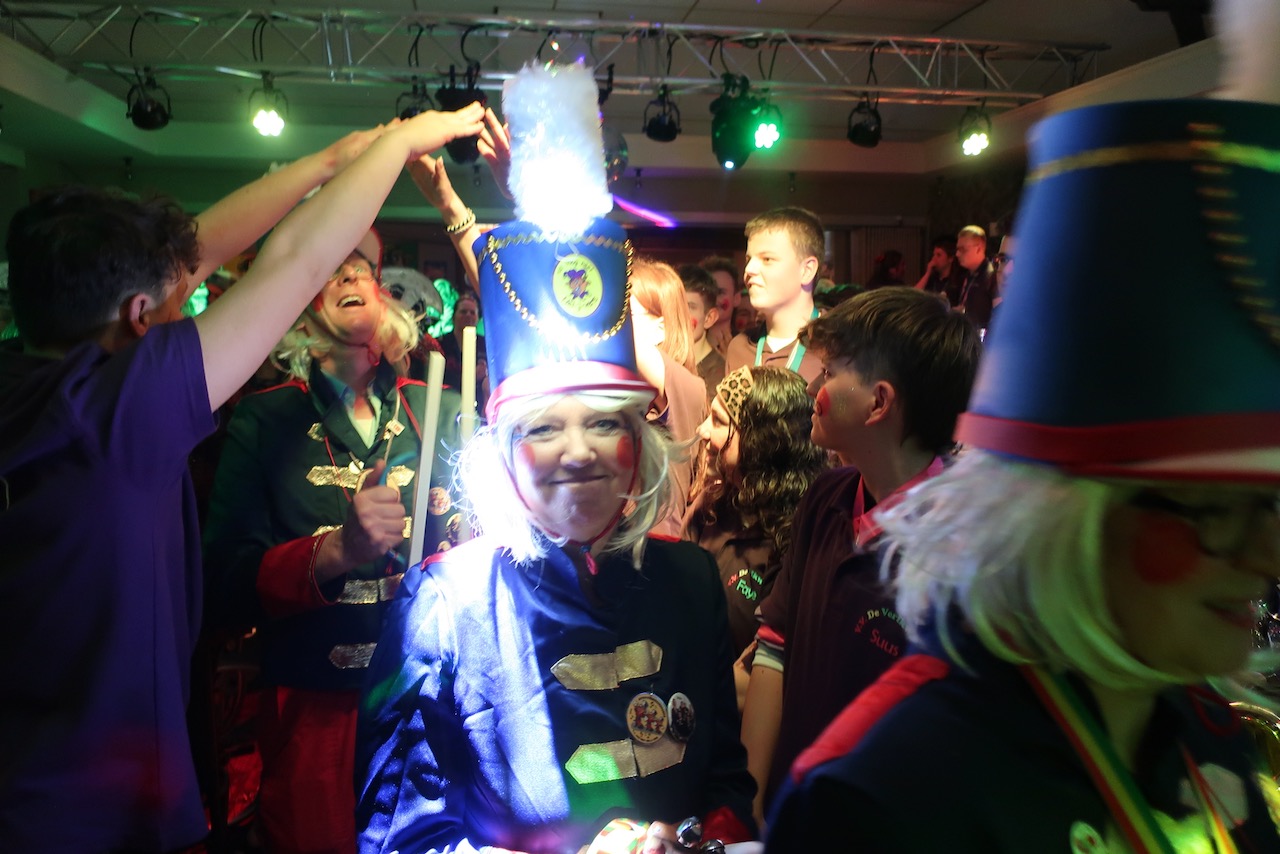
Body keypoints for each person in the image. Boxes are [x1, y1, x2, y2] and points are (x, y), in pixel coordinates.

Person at [768, 45, 1280, 852]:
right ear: (1068, 512)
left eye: (1272, 503)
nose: (1267, 554)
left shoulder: (1214, 737)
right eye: (1216, 509)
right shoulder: (882, 793)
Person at [0, 105, 485, 853]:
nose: (188, 301)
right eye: (179, 304)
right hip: (92, 809)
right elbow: (294, 259)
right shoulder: (122, 407)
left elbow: (192, 255)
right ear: (140, 319)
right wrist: (398, 144)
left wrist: (336, 159)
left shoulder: (30, 388)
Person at [355, 62, 755, 854]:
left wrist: (689, 840)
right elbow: (402, 835)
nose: (579, 453)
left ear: (639, 441)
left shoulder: (690, 582)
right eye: (544, 428)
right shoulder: (447, 604)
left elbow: (726, 784)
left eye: (604, 422)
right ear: (504, 449)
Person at [202, 228, 464, 854]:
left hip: (426, 708)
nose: (349, 275)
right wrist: (336, 553)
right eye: (330, 266)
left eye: (361, 266)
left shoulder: (441, 409)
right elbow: (223, 585)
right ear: (301, 302)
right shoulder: (265, 419)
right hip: (312, 719)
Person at [738, 287, 982, 826]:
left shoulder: (958, 545)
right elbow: (775, 647)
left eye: (829, 373)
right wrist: (752, 804)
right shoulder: (826, 496)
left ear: (879, 402)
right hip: (792, 811)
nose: (813, 388)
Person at [683, 365, 829, 704]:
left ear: (760, 441)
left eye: (718, 421)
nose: (702, 430)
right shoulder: (712, 504)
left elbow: (769, 677)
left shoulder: (795, 539)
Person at [629, 256, 708, 537]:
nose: (613, 323)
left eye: (624, 313)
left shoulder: (686, 385)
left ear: (660, 328)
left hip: (657, 546)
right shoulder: (627, 391)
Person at [724, 207, 823, 384]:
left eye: (767, 259)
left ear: (807, 270)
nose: (749, 269)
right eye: (748, 259)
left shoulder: (839, 347)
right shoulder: (739, 348)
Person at [679, 263, 727, 401]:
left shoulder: (721, 376)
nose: (680, 314)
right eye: (676, 305)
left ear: (709, 318)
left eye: (690, 307)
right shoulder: (662, 363)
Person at [955, 224, 997, 329]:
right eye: (957, 249)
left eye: (962, 249)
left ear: (978, 249)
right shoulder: (968, 274)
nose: (957, 254)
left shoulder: (991, 276)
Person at [700, 255, 742, 355]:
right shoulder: (688, 345)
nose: (714, 298)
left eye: (721, 292)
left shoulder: (748, 346)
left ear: (736, 298)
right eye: (709, 292)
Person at [913, 235, 964, 305]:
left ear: (950, 258)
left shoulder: (958, 280)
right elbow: (914, 295)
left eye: (938, 255)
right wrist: (927, 273)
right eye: (933, 255)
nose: (934, 258)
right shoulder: (932, 279)